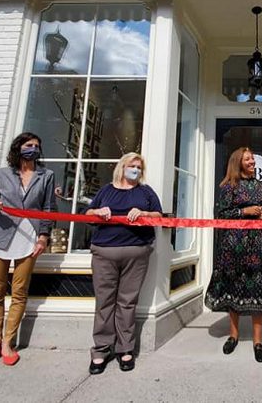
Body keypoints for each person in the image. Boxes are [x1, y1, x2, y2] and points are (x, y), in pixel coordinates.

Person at [0, 132, 56, 368]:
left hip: (29, 238)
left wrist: (43, 237)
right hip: (1, 236)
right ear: (19, 147)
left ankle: (8, 343)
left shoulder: (47, 176)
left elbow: (49, 207)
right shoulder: (2, 174)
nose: (34, 148)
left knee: (20, 291)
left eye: (37, 146)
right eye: (29, 145)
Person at [85, 152, 162, 375]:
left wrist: (144, 212)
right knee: (104, 301)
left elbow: (159, 215)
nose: (136, 170)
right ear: (122, 167)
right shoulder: (106, 190)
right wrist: (98, 211)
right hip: (104, 252)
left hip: (136, 252)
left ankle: (125, 348)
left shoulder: (145, 192)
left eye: (139, 167)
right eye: (132, 166)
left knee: (127, 302)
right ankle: (101, 349)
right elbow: (87, 213)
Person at [205, 147, 262, 363]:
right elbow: (221, 214)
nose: (252, 161)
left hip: (257, 245)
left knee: (257, 291)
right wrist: (244, 212)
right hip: (234, 245)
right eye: (248, 159)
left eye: (252, 158)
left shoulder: (260, 185)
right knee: (234, 291)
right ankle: (233, 336)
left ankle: (257, 342)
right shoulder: (228, 186)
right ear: (238, 163)